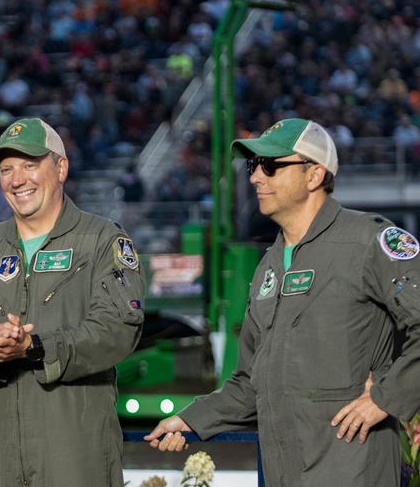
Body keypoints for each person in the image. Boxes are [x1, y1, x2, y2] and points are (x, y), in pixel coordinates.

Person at [145, 118, 420, 486]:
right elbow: (249, 383)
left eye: (272, 166)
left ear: (314, 175)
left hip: (352, 470)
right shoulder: (268, 267)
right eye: (253, 166)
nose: (257, 177)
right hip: (282, 472)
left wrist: (385, 397)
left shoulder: (370, 241)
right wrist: (194, 418)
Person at [0, 117, 146, 486]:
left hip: (77, 460)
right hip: (1, 463)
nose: (17, 180)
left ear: (60, 167)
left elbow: (117, 328)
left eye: (30, 165)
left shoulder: (101, 241)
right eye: (6, 169)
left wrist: (37, 348)